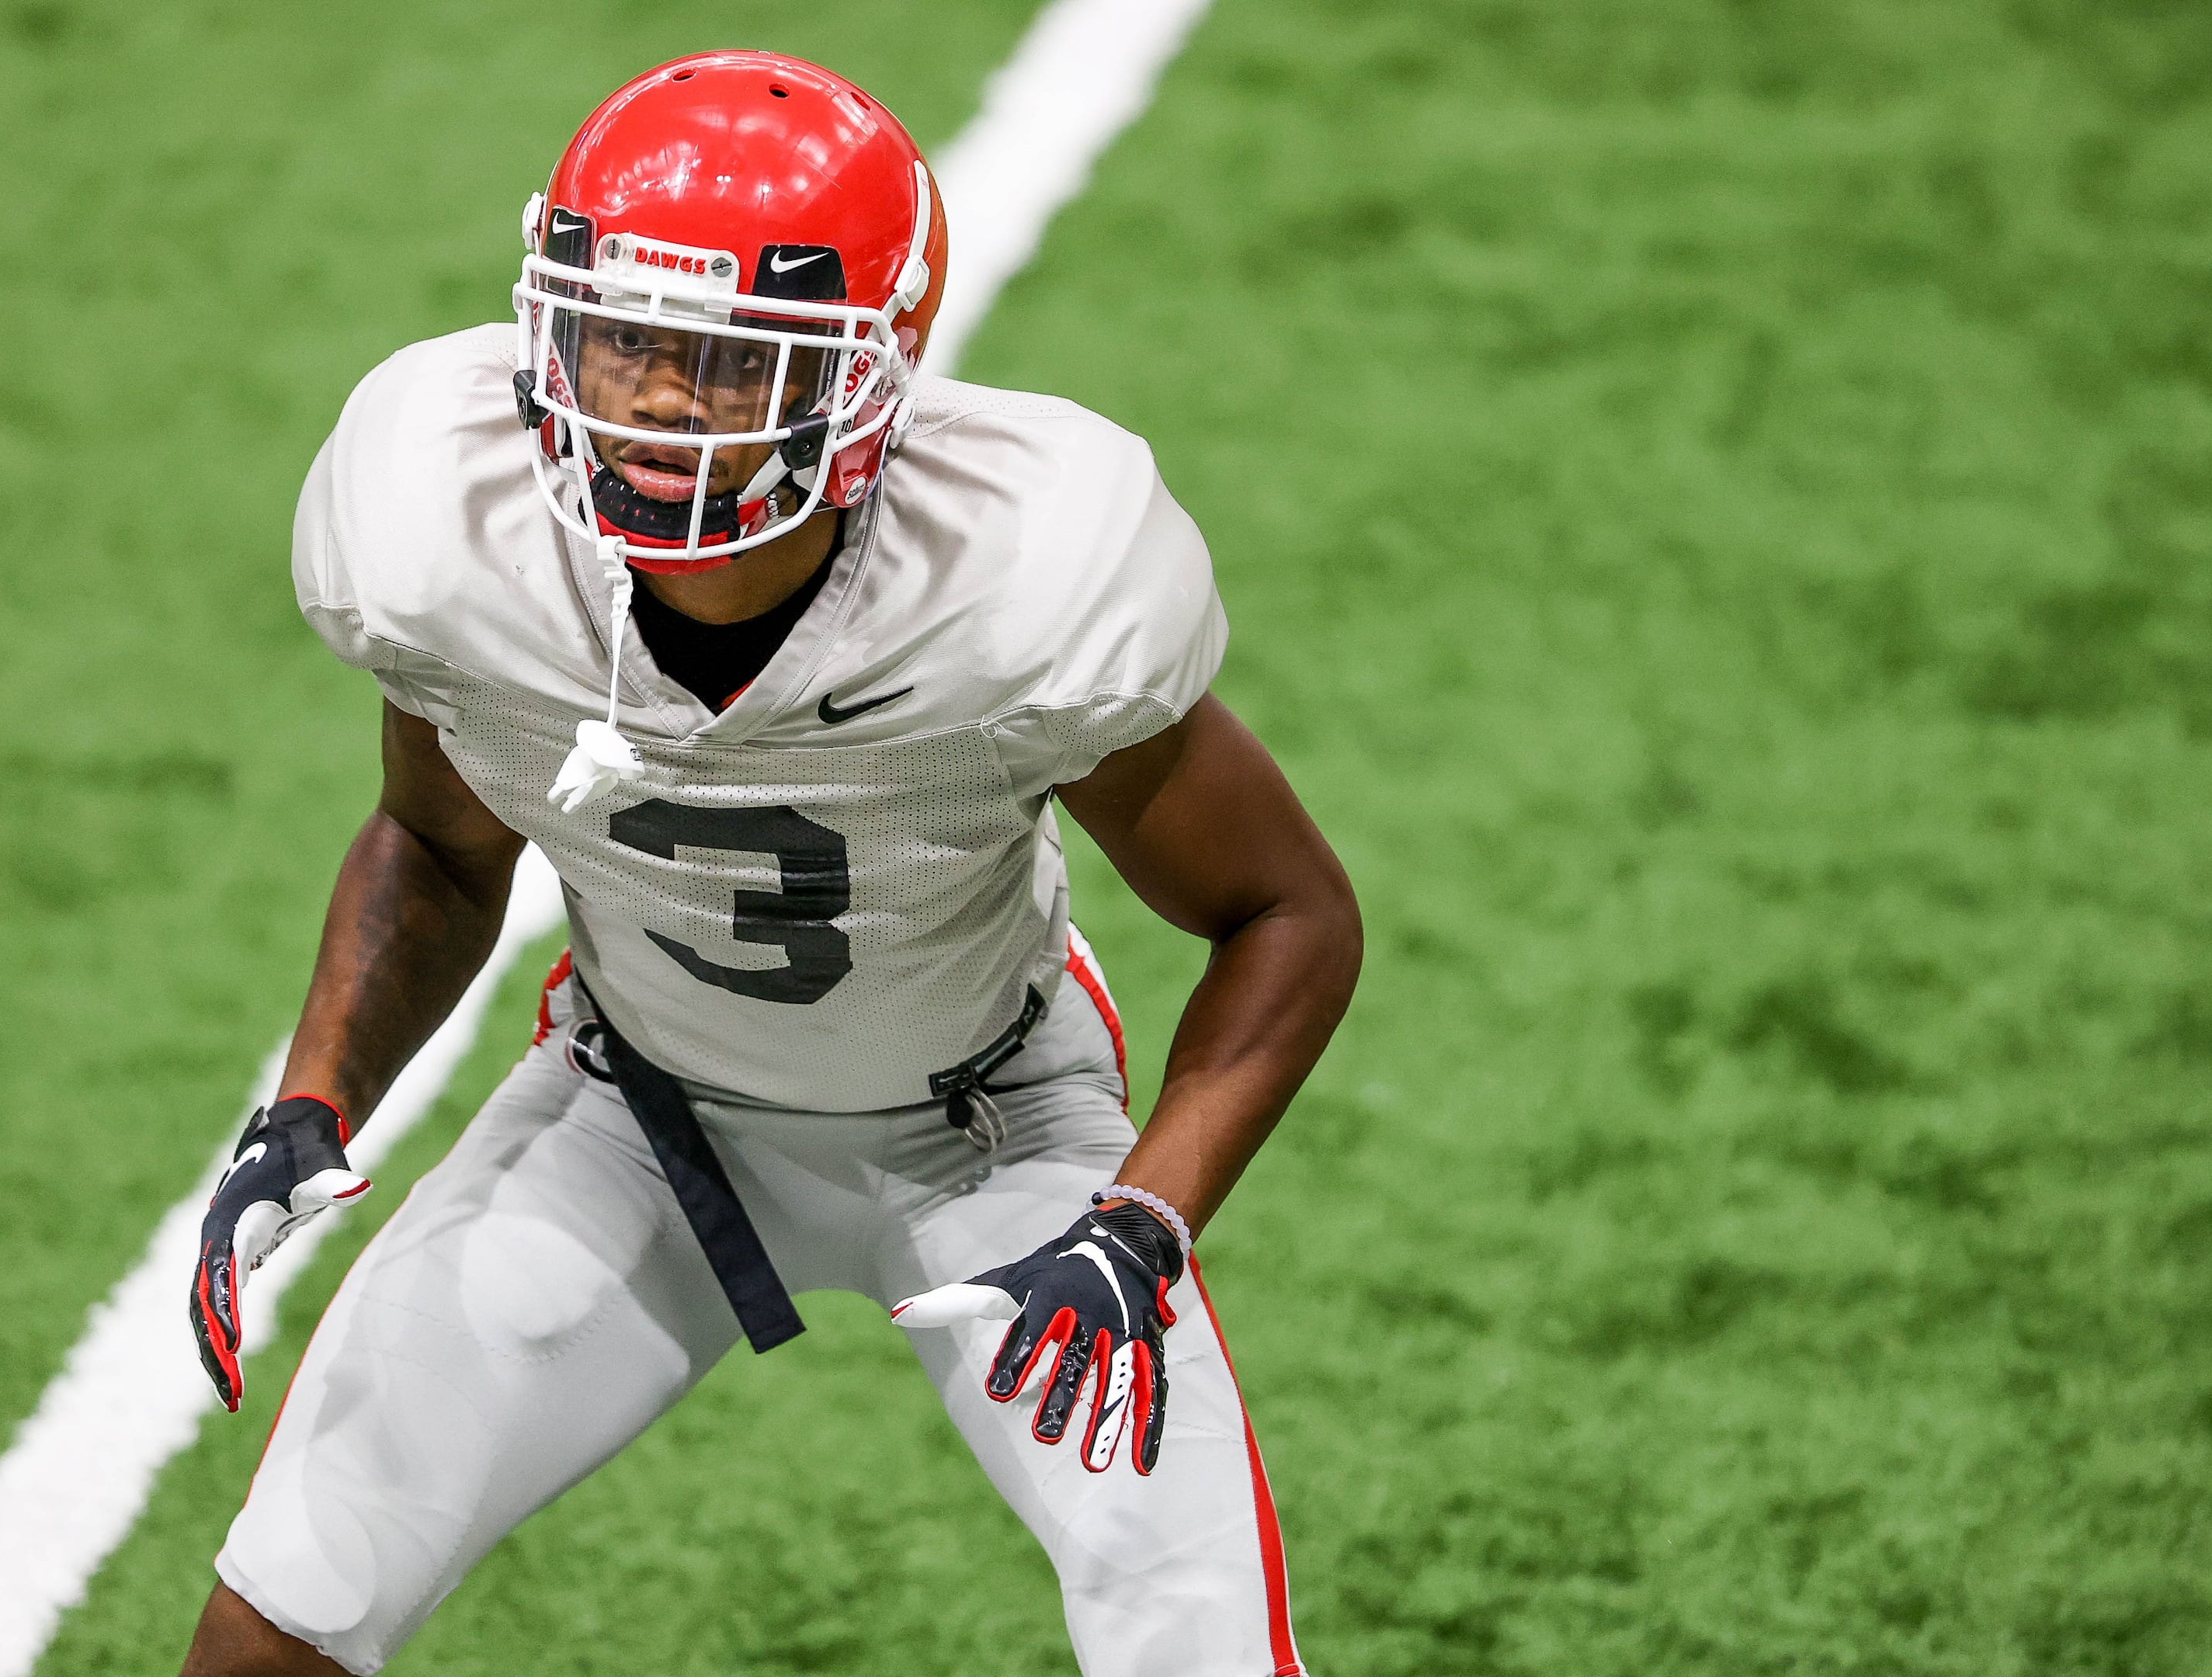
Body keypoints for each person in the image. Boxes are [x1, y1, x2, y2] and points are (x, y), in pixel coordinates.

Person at [175, 49, 1360, 1677]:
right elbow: (440, 847)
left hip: (995, 1131)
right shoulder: (445, 530)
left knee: (1194, 1629)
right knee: (296, 1587)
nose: (658, 401)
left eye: (732, 358)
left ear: (874, 374)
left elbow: (1287, 912)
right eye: (624, 337)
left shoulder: (1021, 584)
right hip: (634, 1111)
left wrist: (1144, 1220)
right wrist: (313, 1096)